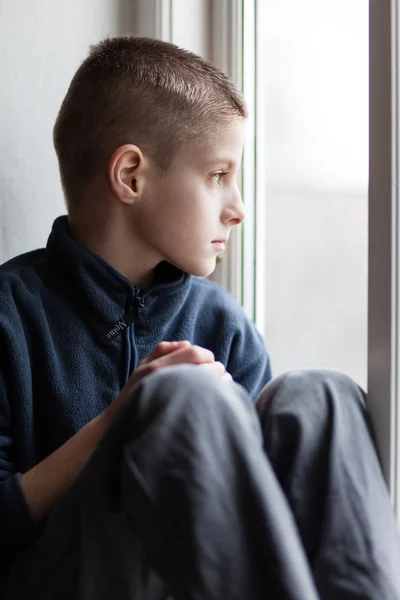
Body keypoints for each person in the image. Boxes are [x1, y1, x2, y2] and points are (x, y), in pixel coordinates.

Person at [0, 35, 399, 600]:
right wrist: (120, 423)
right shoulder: (11, 313)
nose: (237, 209)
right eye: (218, 175)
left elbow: (256, 517)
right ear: (131, 176)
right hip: (68, 578)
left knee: (321, 396)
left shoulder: (224, 325)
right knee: (182, 395)